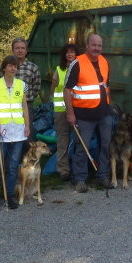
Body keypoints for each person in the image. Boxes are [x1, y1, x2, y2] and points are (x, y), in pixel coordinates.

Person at [63, 33, 113, 192]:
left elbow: (106, 86)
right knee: (82, 148)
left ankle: (103, 175)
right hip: (83, 115)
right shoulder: (76, 63)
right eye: (94, 45)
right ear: (87, 46)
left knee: (105, 145)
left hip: (104, 113)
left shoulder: (104, 61)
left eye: (99, 45)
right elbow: (67, 90)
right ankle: (79, 179)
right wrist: (70, 114)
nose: (97, 48)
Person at [0, 55, 30, 212]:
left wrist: (27, 125)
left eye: (15, 66)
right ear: (4, 68)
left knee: (12, 166)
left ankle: (10, 195)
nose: (13, 68)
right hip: (1, 130)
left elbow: (24, 107)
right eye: (10, 66)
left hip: (17, 130)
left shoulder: (21, 85)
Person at [50, 44, 78, 181]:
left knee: (79, 140)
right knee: (63, 140)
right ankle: (63, 170)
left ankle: (78, 168)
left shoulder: (80, 68)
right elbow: (52, 89)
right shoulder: (59, 71)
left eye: (72, 52)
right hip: (61, 111)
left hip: (78, 109)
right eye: (67, 52)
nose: (70, 54)